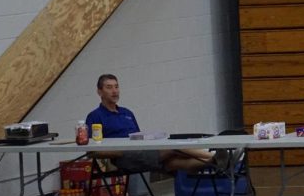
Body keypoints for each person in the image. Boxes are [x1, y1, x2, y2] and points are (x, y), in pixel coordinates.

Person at [86, 74, 222, 173]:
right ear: (100, 92)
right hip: (125, 157)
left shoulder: (127, 113)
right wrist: (120, 152)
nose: (114, 91)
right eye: (109, 87)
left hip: (142, 151)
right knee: (173, 146)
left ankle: (217, 162)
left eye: (116, 87)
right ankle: (215, 156)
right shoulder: (95, 116)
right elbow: (92, 151)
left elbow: (138, 136)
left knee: (175, 162)